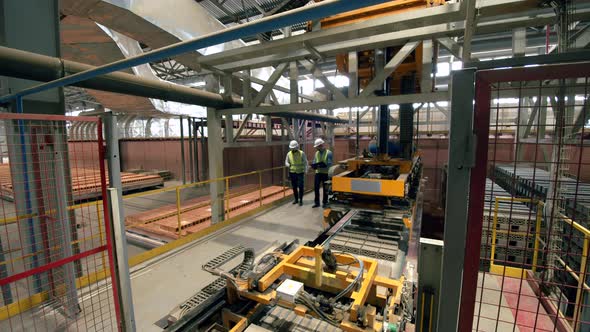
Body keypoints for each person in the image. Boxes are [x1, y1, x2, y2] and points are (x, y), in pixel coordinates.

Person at [311, 138, 333, 208]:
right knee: (316, 188)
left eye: (317, 146)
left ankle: (325, 202)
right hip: (318, 173)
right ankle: (317, 202)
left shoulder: (328, 153)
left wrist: (321, 166)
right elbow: (314, 161)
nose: (316, 148)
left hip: (325, 173)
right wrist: (314, 165)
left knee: (325, 189)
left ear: (321, 145)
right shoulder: (316, 153)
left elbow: (329, 164)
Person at [285, 140, 308, 206]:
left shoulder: (302, 153)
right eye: (292, 148)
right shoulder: (289, 153)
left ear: (297, 147)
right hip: (292, 173)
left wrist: (306, 170)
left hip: (300, 172)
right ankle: (296, 199)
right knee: (294, 187)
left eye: (294, 148)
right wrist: (288, 165)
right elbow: (286, 162)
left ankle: (301, 200)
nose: (293, 149)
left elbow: (306, 162)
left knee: (301, 186)